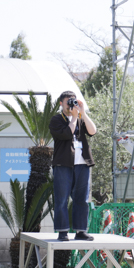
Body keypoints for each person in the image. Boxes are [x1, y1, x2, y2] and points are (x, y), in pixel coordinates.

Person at [49, 91, 97, 241]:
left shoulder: (81, 118)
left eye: (73, 101)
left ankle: (80, 231)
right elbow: (66, 134)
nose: (71, 105)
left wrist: (82, 113)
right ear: (61, 104)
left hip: (82, 163)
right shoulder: (56, 120)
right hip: (63, 163)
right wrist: (74, 117)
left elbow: (92, 131)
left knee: (81, 199)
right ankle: (63, 232)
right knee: (62, 198)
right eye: (68, 102)